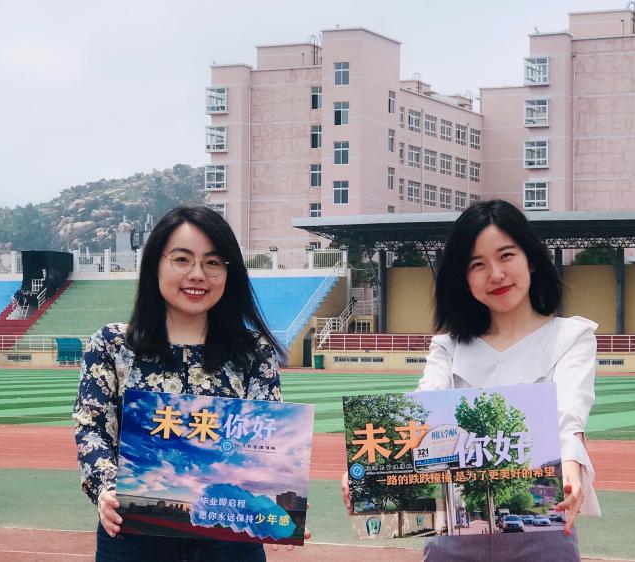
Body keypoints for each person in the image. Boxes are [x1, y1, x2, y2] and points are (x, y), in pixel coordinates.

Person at [342, 199, 600, 561]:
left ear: (531, 258)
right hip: (453, 539)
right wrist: (368, 470)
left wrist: (570, 466)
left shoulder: (571, 337)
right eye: (477, 264)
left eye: (506, 255)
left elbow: (569, 415)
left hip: (542, 534)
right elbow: (421, 411)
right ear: (463, 279)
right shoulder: (447, 348)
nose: (495, 274)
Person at [73, 206, 287, 561]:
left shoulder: (253, 352)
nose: (197, 274)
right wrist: (106, 490)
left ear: (228, 272)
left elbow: (266, 443)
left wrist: (281, 504)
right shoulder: (112, 345)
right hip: (133, 529)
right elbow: (92, 428)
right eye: (182, 259)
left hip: (228, 537)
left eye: (213, 262)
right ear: (155, 265)